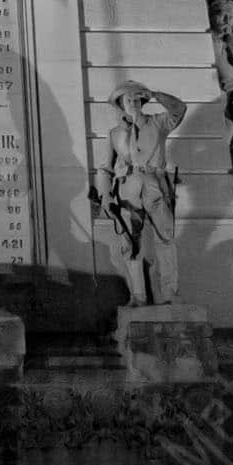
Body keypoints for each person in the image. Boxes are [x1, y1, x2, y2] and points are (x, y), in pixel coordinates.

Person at [96, 81, 188, 305]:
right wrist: (106, 196)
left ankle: (169, 294)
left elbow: (179, 109)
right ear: (121, 105)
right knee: (130, 244)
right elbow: (105, 168)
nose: (134, 103)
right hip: (127, 191)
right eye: (128, 100)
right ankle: (138, 296)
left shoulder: (158, 122)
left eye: (137, 99)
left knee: (165, 240)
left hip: (156, 185)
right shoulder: (115, 134)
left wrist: (156, 94)